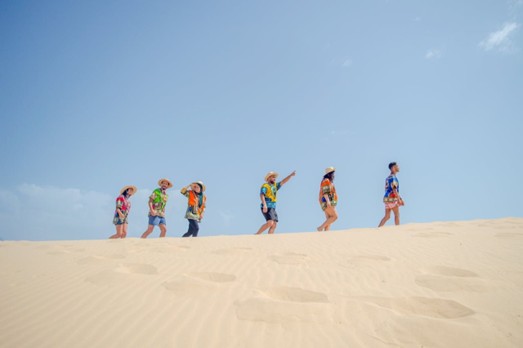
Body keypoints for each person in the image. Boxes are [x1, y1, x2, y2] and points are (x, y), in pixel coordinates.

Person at [255, 170, 296, 235]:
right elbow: (261, 194)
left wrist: (290, 176)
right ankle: (256, 235)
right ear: (268, 178)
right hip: (267, 206)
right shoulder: (265, 186)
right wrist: (264, 204)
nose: (275, 178)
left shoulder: (274, 186)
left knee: (274, 224)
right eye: (273, 177)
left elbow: (283, 181)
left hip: (272, 208)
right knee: (270, 223)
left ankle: (270, 239)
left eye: (275, 177)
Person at [378, 162, 405, 227]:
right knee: (397, 215)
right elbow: (394, 189)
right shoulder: (393, 178)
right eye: (397, 166)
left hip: (386, 199)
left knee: (387, 216)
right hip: (392, 198)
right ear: (393, 168)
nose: (398, 167)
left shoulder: (388, 178)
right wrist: (399, 199)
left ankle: (378, 229)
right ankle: (398, 230)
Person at [317, 167, 338, 231]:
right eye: (333, 173)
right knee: (335, 217)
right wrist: (328, 201)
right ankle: (320, 228)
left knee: (328, 220)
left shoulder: (328, 181)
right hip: (327, 202)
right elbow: (325, 192)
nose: (334, 175)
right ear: (330, 174)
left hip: (328, 202)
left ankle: (326, 235)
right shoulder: (326, 181)